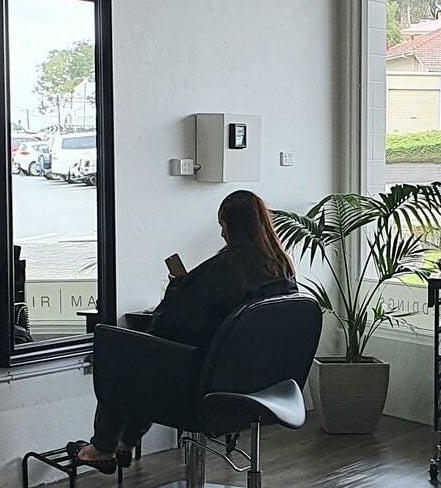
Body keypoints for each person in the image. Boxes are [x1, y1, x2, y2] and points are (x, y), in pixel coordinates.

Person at [74, 190, 297, 471]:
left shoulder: (225, 269)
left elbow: (169, 324)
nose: (221, 235)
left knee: (123, 354)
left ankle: (104, 447)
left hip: (206, 387)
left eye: (222, 227)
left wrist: (180, 288)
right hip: (257, 380)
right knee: (145, 361)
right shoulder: (282, 270)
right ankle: (124, 444)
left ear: (230, 226)